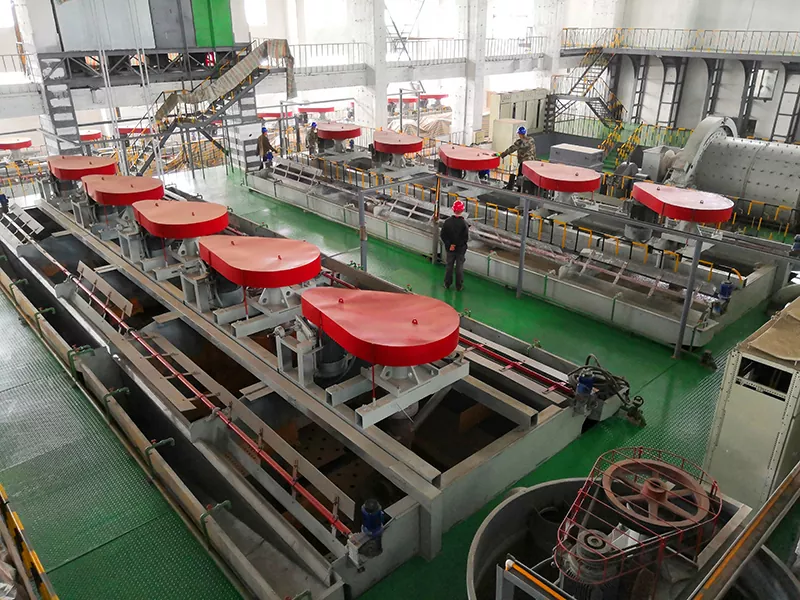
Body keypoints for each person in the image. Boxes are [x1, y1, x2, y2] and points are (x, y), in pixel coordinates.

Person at [441, 200, 469, 291]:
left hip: (450, 249)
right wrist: (457, 245)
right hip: (460, 250)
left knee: (449, 266)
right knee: (459, 267)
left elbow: (443, 235)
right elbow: (465, 238)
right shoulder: (464, 224)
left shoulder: (447, 222)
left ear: (453, 210)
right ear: (462, 210)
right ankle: (459, 286)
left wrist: (450, 245)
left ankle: (447, 283)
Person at [498, 126, 536, 191]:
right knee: (529, 177)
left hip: (524, 163)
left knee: (520, 176)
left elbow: (511, 149)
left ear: (520, 134)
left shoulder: (519, 142)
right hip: (532, 162)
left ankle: (520, 190)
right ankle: (528, 189)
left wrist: (502, 155)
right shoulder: (531, 140)